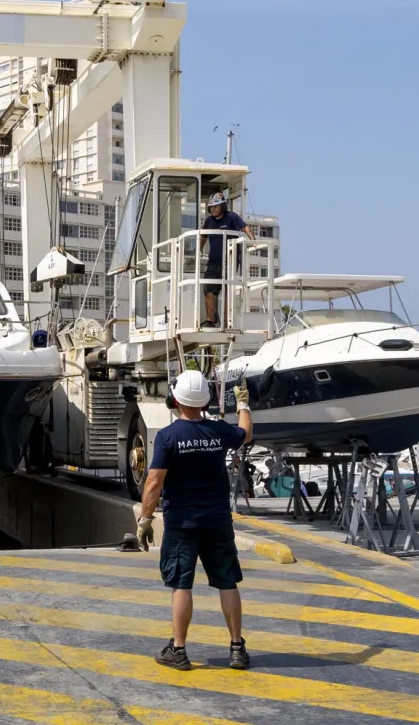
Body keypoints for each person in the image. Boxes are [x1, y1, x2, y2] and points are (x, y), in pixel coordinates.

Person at [135, 369, 254, 671]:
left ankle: (179, 650)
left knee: (181, 584)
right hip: (217, 520)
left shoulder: (168, 436)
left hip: (182, 523)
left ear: (175, 399)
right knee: (227, 582)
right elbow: (246, 434)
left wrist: (145, 520)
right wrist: (243, 405)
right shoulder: (219, 431)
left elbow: (153, 481)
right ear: (206, 399)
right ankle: (237, 649)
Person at [200, 193, 254, 328]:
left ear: (222, 206)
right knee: (208, 290)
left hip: (230, 260)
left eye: (215, 206)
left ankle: (226, 320)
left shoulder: (232, 217)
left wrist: (253, 242)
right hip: (213, 262)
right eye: (211, 207)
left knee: (226, 290)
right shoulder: (208, 221)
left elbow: (245, 228)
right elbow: (203, 237)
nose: (213, 209)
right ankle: (210, 320)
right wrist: (198, 249)